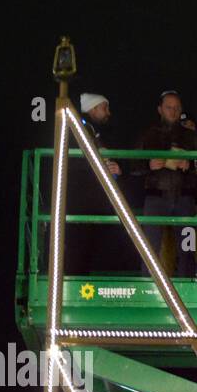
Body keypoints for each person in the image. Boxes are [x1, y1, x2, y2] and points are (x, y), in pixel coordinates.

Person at [136, 90, 197, 277]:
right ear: (160, 109)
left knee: (188, 249)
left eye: (176, 108)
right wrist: (148, 165)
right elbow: (132, 164)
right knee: (150, 248)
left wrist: (189, 165)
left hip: (185, 198)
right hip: (156, 197)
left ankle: (187, 287)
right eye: (169, 107)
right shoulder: (148, 134)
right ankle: (148, 288)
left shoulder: (191, 136)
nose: (173, 111)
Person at [65, 93, 122, 275]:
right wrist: (101, 165)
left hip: (94, 203)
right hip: (81, 202)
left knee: (88, 247)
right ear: (93, 108)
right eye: (105, 108)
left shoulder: (93, 131)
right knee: (79, 246)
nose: (108, 113)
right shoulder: (77, 128)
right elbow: (75, 161)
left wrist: (114, 169)